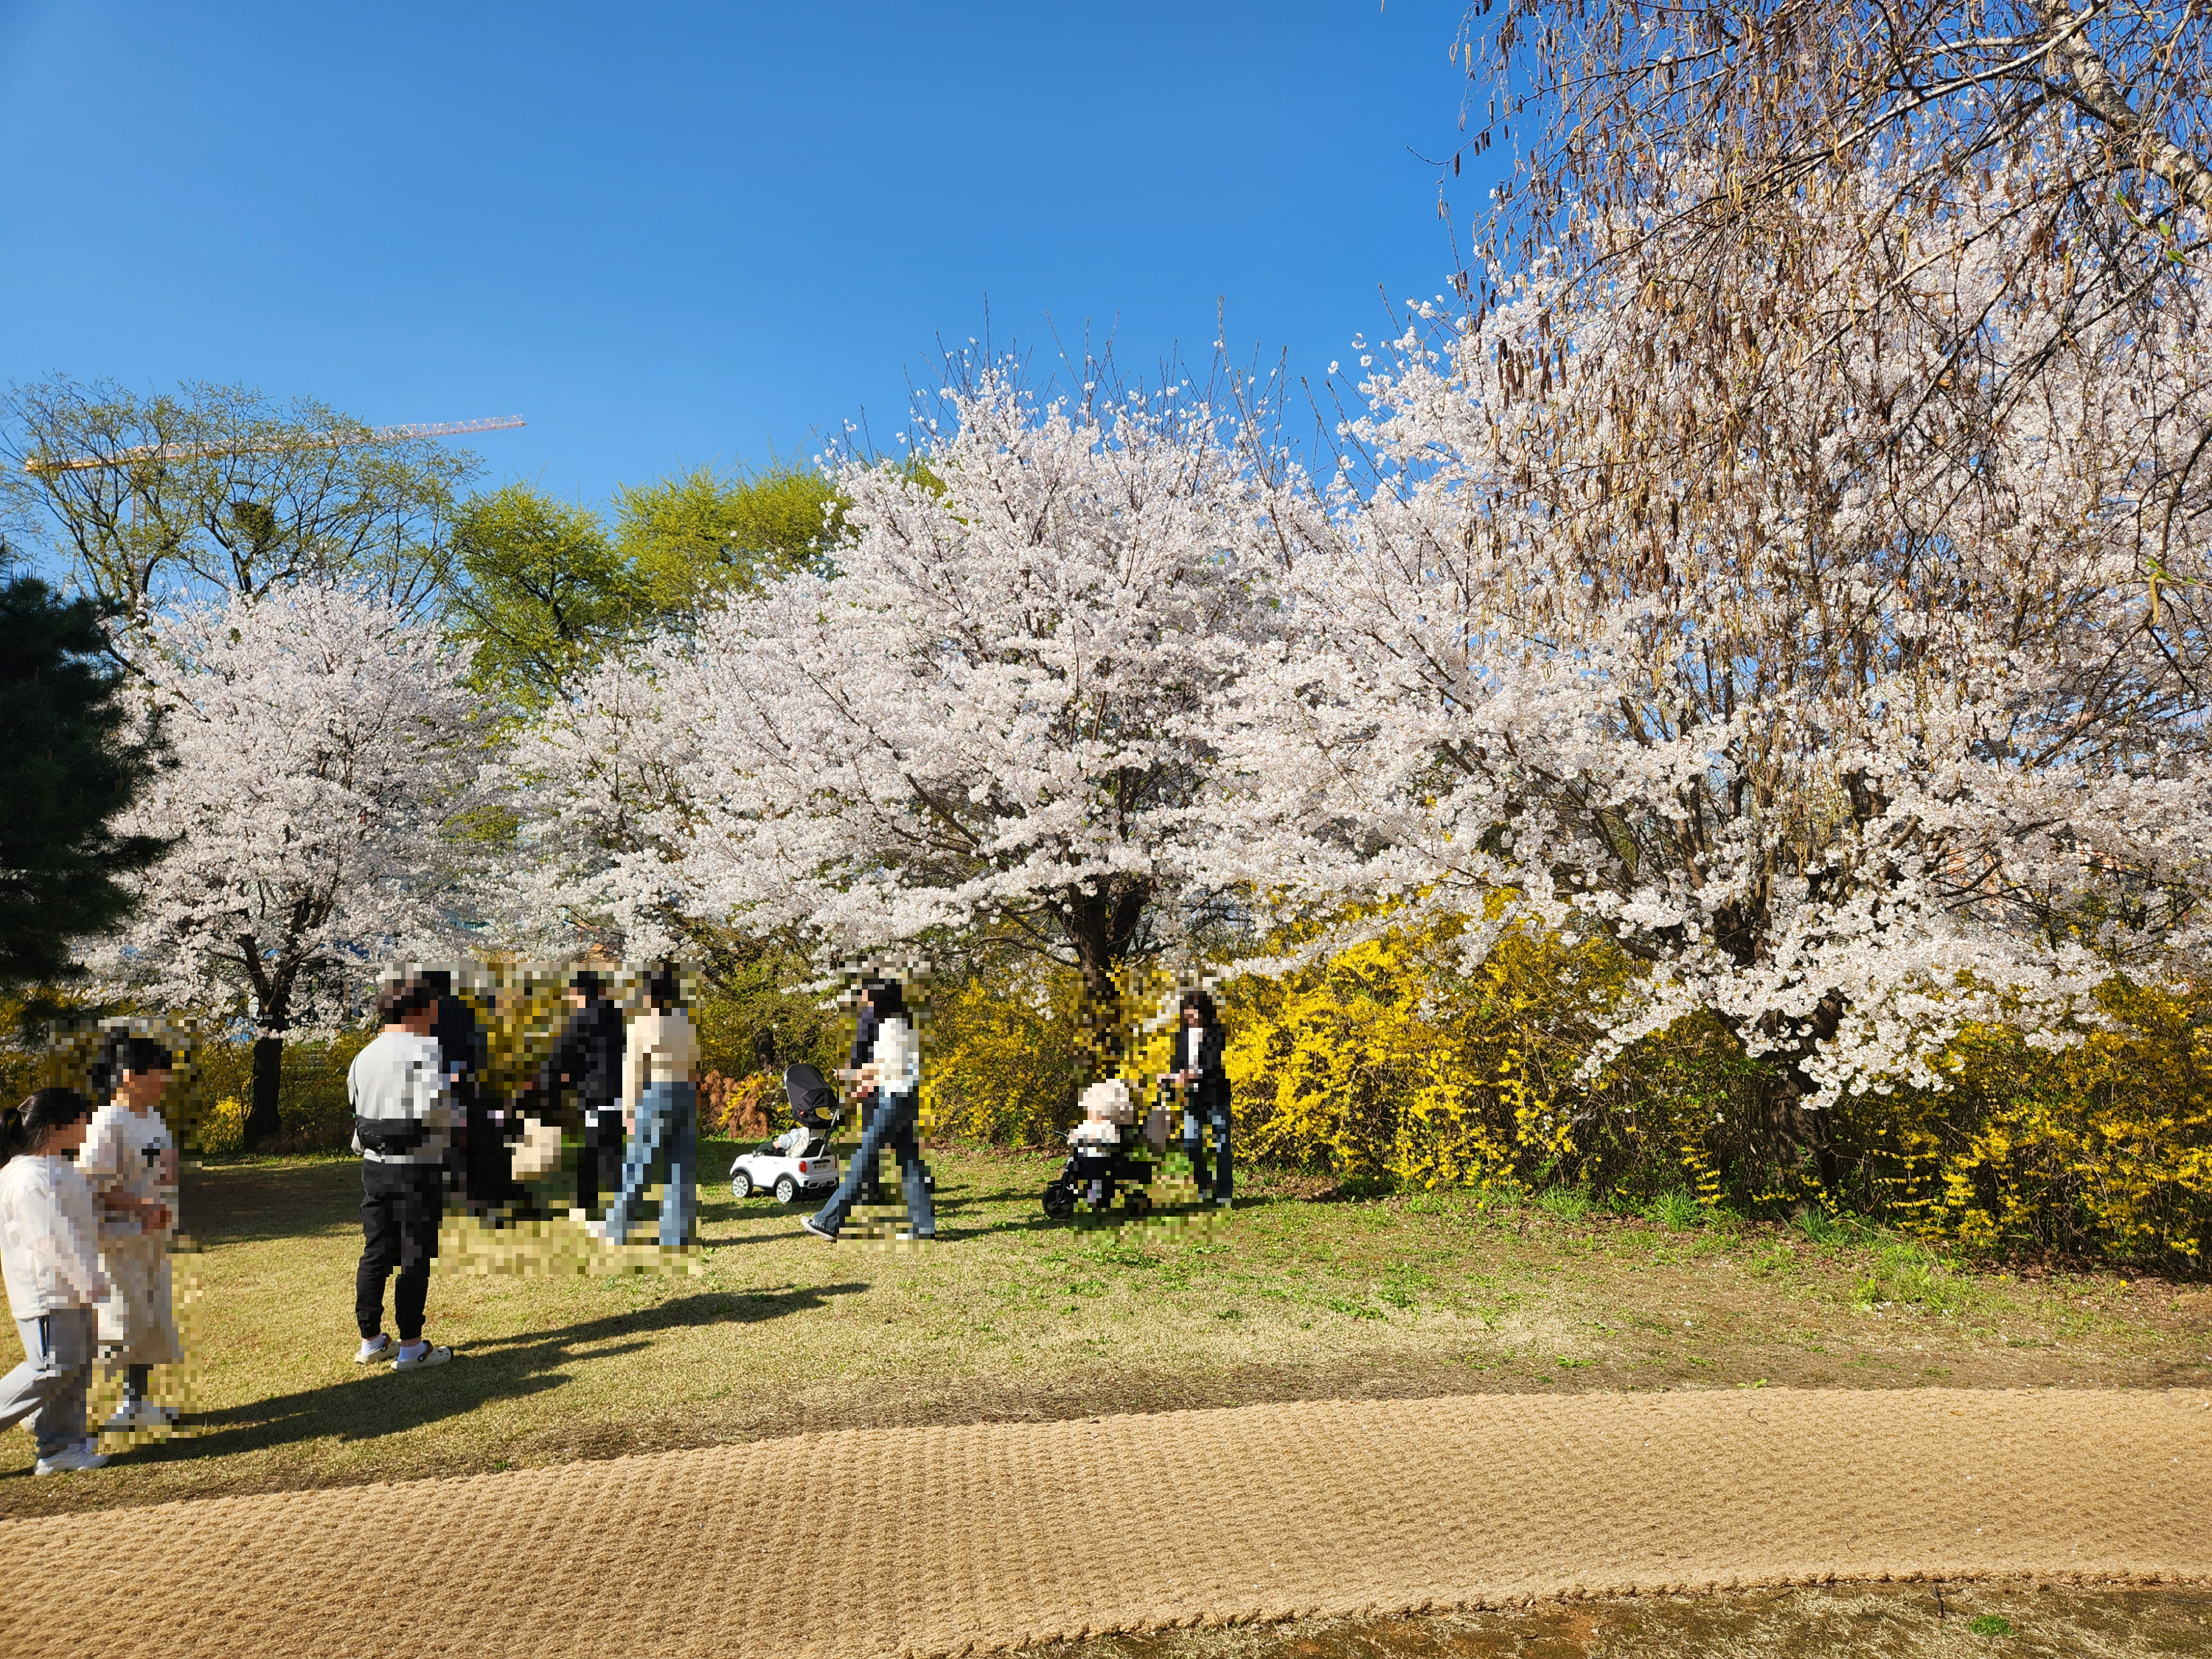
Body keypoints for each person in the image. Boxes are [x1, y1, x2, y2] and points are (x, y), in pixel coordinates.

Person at [0, 1088, 111, 1473]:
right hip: (48, 1293)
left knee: (75, 1369)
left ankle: (58, 1448)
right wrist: (86, 1282)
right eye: (82, 1119)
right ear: (55, 1126)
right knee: (50, 1368)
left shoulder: (61, 1170)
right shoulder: (27, 1177)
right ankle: (45, 1428)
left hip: (75, 1287)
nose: (88, 1126)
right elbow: (46, 1241)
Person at [349, 978, 456, 1370]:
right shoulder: (429, 1054)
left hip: (374, 1168)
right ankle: (412, 1346)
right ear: (415, 1011)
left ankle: (371, 1340)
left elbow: (356, 1113)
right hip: (417, 1168)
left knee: (376, 1252)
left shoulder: (363, 1057)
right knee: (414, 1255)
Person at [80, 1032, 181, 1430]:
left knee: (150, 1320)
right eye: (158, 1075)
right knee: (120, 1321)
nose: (164, 1083)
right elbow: (92, 1183)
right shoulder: (107, 1121)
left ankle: (139, 1402)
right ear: (129, 1076)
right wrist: (142, 1207)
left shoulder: (152, 1117)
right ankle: (113, 1405)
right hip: (119, 1241)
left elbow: (162, 1168)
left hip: (150, 1240)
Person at [802, 978, 934, 1242]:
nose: (861, 998)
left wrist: (850, 1073)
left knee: (864, 1161)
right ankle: (922, 1229)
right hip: (905, 1097)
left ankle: (828, 1222)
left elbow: (889, 1068)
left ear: (878, 997)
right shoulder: (902, 1023)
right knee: (910, 1164)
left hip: (894, 1099)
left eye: (864, 994)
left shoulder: (893, 1026)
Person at [599, 962, 700, 1248]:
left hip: (656, 1093)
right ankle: (677, 1236)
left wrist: (629, 1111)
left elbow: (633, 1071)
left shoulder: (642, 1023)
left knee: (638, 1165)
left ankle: (617, 1230)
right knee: (681, 1169)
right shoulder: (686, 1021)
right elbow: (694, 1067)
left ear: (647, 993)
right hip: (685, 1093)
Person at [537, 970, 626, 1222]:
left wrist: (553, 1081)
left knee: (595, 1150)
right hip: (620, 1093)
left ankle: (588, 1206)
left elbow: (560, 1056)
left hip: (595, 1095)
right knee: (612, 1150)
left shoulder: (581, 1020)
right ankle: (613, 1204)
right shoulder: (617, 1016)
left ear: (579, 992)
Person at [1169, 990, 1233, 1208]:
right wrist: (1169, 1077)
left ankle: (1224, 1193)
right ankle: (1205, 1186)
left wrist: (1192, 1074)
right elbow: (1176, 1064)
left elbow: (1216, 1065)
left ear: (1205, 1011)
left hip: (1217, 1096)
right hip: (1193, 1098)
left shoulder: (1217, 1032)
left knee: (1222, 1146)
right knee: (1191, 1144)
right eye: (1188, 1010)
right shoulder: (1181, 1034)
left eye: (1196, 1010)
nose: (1192, 1014)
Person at [833, 987, 886, 1206]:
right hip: (874, 1085)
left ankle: (869, 1192)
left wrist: (851, 1078)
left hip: (873, 1086)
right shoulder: (878, 1017)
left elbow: (864, 1056)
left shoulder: (870, 1018)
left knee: (870, 1143)